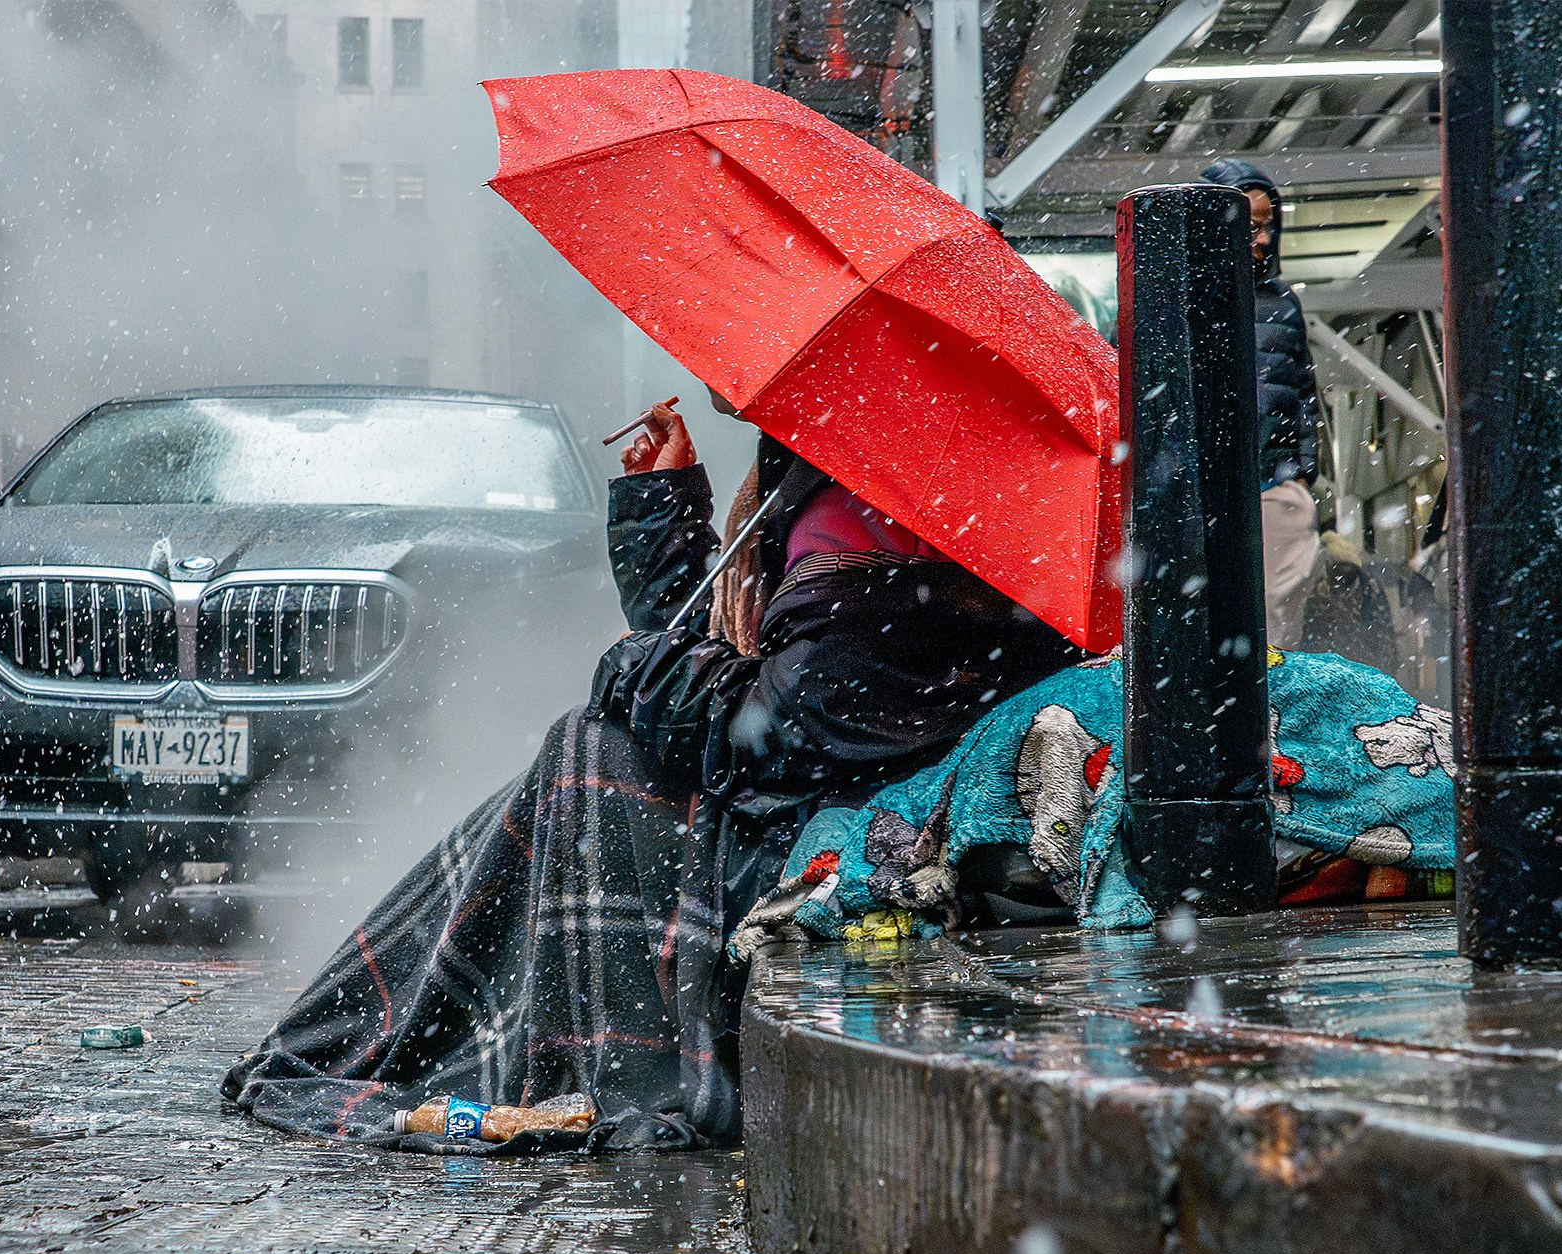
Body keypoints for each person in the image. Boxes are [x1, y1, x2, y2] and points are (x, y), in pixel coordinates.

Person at [221, 398, 1080, 1150]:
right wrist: (664, 506)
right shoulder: (832, 477)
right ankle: (416, 1017)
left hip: (814, 828)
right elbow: (722, 668)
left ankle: (442, 1028)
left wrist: (630, 665)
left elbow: (771, 732)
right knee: (591, 747)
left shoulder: (873, 508)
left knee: (590, 754)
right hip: (801, 792)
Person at [1201, 158, 1324, 648]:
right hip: (1199, 494)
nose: (1264, 240)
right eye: (1251, 226)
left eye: (1270, 226)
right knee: (1204, 625)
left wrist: (1299, 472)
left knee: (1274, 628)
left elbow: (1304, 396)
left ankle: (1267, 718)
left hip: (1272, 488)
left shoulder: (1282, 301)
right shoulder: (1175, 294)